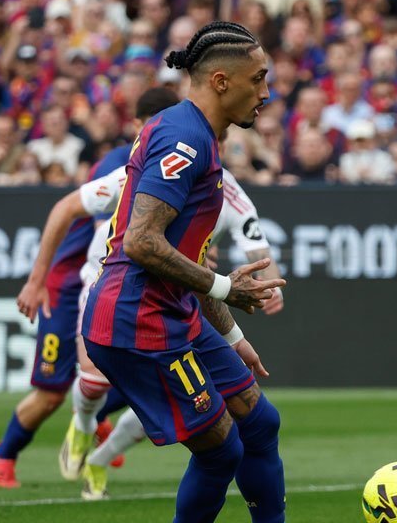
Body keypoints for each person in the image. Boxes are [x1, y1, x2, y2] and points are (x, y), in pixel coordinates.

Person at [81, 22, 354, 523]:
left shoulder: (194, 133)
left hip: (174, 310)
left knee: (260, 421)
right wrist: (228, 289)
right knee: (220, 448)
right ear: (222, 80)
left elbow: (186, 254)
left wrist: (232, 337)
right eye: (259, 80)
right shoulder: (185, 141)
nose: (266, 93)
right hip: (139, 322)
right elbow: (143, 243)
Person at [16, 106, 286, 501]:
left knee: (174, 399)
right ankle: (84, 425)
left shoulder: (230, 194)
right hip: (108, 283)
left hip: (180, 297)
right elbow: (69, 208)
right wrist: (37, 278)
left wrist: (271, 285)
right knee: (94, 381)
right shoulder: (150, 171)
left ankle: (100, 459)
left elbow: (258, 249)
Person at [0, 90, 178, 488]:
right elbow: (107, 230)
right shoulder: (120, 163)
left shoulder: (175, 164)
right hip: (70, 284)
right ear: (138, 126)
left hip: (113, 281)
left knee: (138, 368)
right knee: (52, 391)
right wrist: (37, 281)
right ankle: (3, 455)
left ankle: (92, 419)